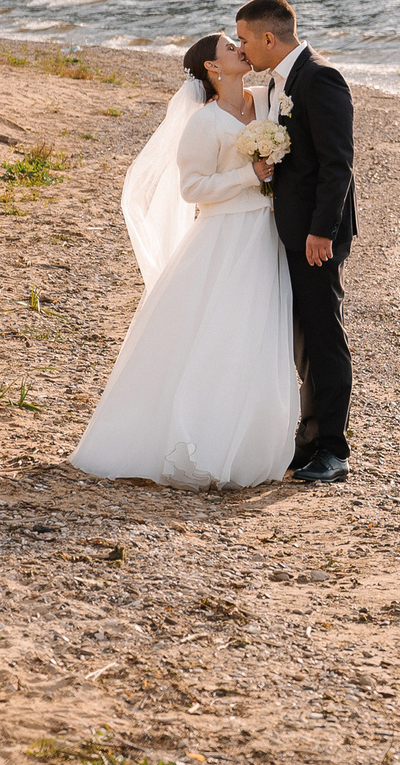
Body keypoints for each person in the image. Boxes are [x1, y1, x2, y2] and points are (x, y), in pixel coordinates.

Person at [69, 32, 297, 489]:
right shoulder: (204, 122)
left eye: (239, 44)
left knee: (257, 333)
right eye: (230, 48)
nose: (240, 50)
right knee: (217, 332)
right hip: (224, 235)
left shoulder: (264, 100)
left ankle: (249, 440)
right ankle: (193, 440)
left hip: (264, 234)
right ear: (212, 68)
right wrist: (247, 175)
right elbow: (192, 188)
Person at [234, 0, 359, 485]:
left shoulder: (319, 77)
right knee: (303, 338)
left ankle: (333, 449)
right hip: (294, 229)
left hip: (315, 236)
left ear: (269, 37)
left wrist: (320, 232)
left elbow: (338, 163)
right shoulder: (279, 81)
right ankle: (307, 442)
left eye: (245, 39)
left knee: (323, 336)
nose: (242, 49)